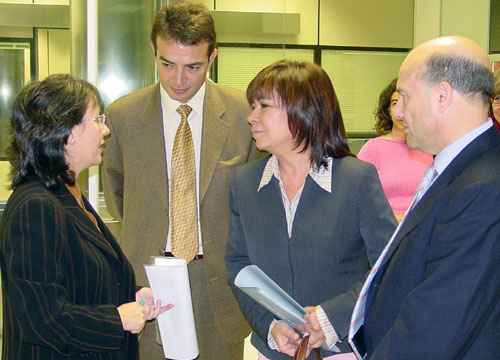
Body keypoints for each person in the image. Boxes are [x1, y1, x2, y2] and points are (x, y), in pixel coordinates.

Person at [101, 2, 261, 359]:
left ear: (212, 57)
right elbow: (117, 195)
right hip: (149, 284)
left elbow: (254, 206)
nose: (178, 79)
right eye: (166, 64)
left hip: (217, 283)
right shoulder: (123, 117)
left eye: (193, 67)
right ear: (153, 52)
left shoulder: (242, 115)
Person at [225, 60, 397, 360]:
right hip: (272, 349)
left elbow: (388, 267)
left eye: (264, 106)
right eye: (253, 106)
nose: (251, 117)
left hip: (340, 349)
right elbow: (239, 266)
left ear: (303, 110)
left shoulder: (356, 179)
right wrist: (269, 326)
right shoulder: (244, 182)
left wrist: (330, 318)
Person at [349, 36, 500, 359]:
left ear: (442, 95)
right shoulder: (458, 169)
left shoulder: (485, 189)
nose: (398, 111)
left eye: (404, 97)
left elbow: (437, 322)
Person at [0, 74, 171, 360]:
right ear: (66, 132)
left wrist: (134, 294)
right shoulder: (35, 206)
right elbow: (41, 319)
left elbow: (82, 283)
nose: (105, 131)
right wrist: (117, 320)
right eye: (97, 120)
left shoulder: (68, 193)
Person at [358, 79, 433, 221]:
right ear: (388, 110)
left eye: (407, 103)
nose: (401, 110)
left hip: (424, 229)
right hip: (384, 231)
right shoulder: (372, 149)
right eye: (394, 103)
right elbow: (356, 198)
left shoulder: (430, 147)